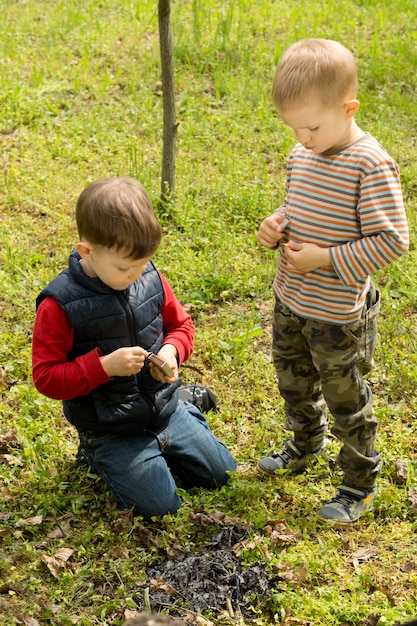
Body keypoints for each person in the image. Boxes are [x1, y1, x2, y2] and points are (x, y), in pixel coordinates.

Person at [256, 39, 409, 524]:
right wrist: (275, 224)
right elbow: (298, 208)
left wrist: (326, 258)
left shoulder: (370, 164)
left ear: (349, 109)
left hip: (338, 313)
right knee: (294, 381)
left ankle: (357, 481)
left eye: (312, 126)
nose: (302, 137)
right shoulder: (303, 154)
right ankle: (305, 443)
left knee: (346, 396)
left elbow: (392, 241)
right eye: (293, 127)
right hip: (291, 299)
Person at [32, 177, 236, 520]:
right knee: (162, 508)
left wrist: (172, 352)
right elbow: (46, 377)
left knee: (222, 475)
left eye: (143, 263)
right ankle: (93, 453)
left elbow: (181, 326)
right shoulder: (60, 305)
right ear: (87, 251)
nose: (136, 274)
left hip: (164, 408)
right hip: (110, 428)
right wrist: (103, 367)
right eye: (125, 267)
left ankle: (185, 403)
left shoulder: (149, 276)